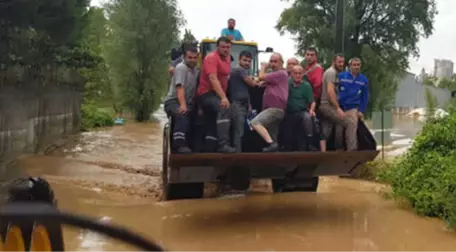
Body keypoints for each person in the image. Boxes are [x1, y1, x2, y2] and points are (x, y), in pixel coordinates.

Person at [197, 36, 235, 153]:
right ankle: (223, 145)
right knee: (224, 108)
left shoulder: (228, 58)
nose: (225, 49)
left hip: (217, 94)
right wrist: (223, 98)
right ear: (217, 47)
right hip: (207, 93)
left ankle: (209, 149)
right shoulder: (211, 58)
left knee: (211, 123)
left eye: (228, 47)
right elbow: (213, 78)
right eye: (223, 47)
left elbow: (225, 78)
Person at [163, 47, 200, 153]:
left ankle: (194, 145)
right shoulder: (181, 68)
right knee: (182, 113)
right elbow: (180, 87)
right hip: (173, 101)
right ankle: (179, 146)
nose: (192, 60)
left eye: (194, 58)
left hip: (188, 102)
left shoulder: (196, 71)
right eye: (190, 57)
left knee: (197, 118)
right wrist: (183, 105)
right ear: (184, 57)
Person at [250, 53, 288, 152]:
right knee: (272, 135)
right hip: (272, 109)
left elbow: (261, 76)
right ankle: (277, 162)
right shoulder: (273, 76)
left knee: (255, 122)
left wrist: (263, 67)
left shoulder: (281, 73)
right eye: (271, 61)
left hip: (275, 108)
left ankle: (271, 144)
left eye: (275, 61)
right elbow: (259, 82)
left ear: (281, 63)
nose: (272, 64)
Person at [228, 51, 261, 152]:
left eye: (249, 61)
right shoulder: (238, 70)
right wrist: (260, 81)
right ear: (239, 60)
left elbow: (245, 90)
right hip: (237, 104)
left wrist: (249, 104)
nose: (247, 63)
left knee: (245, 131)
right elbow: (252, 83)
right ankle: (237, 156)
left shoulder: (244, 72)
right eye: (245, 60)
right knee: (239, 131)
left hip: (245, 104)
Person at [336, 57, 369, 151]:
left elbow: (365, 97)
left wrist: (361, 110)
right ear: (349, 66)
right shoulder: (341, 76)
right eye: (354, 65)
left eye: (358, 65)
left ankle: (352, 150)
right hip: (340, 107)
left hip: (353, 108)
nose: (356, 67)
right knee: (338, 130)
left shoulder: (363, 80)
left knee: (352, 128)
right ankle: (338, 149)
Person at [282, 65, 317, 151]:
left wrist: (312, 110)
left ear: (303, 74)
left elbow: (312, 101)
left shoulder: (306, 85)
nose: (298, 75)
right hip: (289, 111)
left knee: (308, 117)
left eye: (300, 73)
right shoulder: (286, 83)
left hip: (302, 111)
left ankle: (310, 142)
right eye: (295, 73)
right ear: (291, 74)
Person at [318, 54, 346, 151]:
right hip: (326, 105)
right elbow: (330, 91)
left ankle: (323, 151)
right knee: (342, 120)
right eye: (339, 62)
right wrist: (338, 108)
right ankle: (339, 148)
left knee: (327, 129)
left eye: (343, 62)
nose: (341, 64)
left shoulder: (337, 74)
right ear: (333, 62)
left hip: (329, 106)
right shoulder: (331, 72)